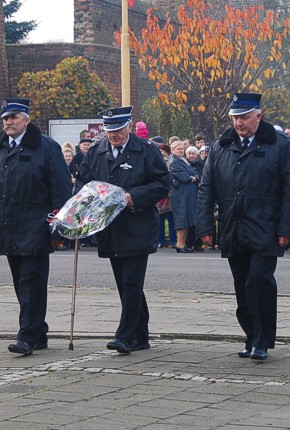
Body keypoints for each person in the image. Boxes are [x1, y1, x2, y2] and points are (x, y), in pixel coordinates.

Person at [196, 93, 290, 361]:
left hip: (266, 226)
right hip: (233, 226)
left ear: (258, 116)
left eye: (244, 117)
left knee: (259, 281)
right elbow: (206, 188)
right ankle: (250, 336)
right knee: (242, 285)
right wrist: (205, 227)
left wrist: (287, 230)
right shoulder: (221, 146)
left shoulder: (280, 144)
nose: (239, 123)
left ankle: (262, 340)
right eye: (235, 118)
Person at [0, 98, 72, 356]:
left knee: (31, 282)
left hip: (37, 226)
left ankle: (27, 336)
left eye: (13, 117)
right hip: (7, 227)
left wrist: (59, 227)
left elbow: (60, 189)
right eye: (5, 118)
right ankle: (39, 331)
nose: (8, 122)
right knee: (20, 283)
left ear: (26, 119)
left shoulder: (46, 147)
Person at [76, 106, 170, 354]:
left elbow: (162, 183)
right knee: (125, 284)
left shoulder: (146, 150)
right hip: (110, 227)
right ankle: (140, 335)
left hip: (137, 225)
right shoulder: (97, 151)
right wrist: (80, 209)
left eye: (118, 129)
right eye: (109, 130)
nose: (113, 135)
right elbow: (84, 183)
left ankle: (125, 336)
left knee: (131, 282)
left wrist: (134, 197)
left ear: (129, 126)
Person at [168, 139, 198, 253]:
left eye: (182, 148)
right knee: (181, 219)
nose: (181, 150)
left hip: (187, 193)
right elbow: (184, 177)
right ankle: (179, 244)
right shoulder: (174, 161)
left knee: (187, 219)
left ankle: (183, 244)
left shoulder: (183, 160)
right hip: (180, 194)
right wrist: (191, 178)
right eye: (178, 149)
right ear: (172, 150)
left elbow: (195, 173)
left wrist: (192, 177)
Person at [156, 144, 176, 249]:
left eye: (163, 152)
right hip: (159, 196)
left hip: (170, 195)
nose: (162, 154)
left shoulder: (172, 162)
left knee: (171, 220)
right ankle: (160, 241)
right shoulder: (156, 162)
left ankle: (173, 240)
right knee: (160, 221)